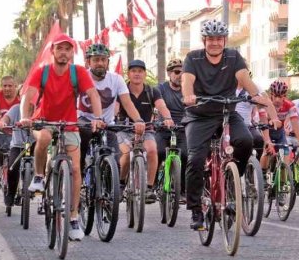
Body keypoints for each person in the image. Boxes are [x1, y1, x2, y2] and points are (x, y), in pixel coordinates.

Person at [181, 19, 280, 231]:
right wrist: (188, 95)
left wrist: (256, 95)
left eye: (219, 39)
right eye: (211, 39)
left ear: (224, 40)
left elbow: (244, 78)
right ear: (204, 40)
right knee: (196, 159)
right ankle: (196, 208)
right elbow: (186, 81)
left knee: (246, 141)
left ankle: (234, 180)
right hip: (199, 115)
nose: (215, 43)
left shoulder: (234, 57)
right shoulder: (193, 58)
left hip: (226, 111)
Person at [18, 34, 104, 242]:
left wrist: (98, 117)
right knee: (45, 137)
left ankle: (73, 218)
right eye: (60, 49)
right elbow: (28, 96)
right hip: (43, 121)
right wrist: (24, 117)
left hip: (69, 125)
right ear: (53, 51)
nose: (64, 52)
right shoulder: (43, 72)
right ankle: (39, 177)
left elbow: (93, 94)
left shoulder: (78, 72)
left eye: (68, 49)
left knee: (75, 169)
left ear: (71, 53)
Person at [77, 43, 146, 171]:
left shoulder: (116, 79)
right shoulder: (81, 77)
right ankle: (79, 173)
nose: (100, 63)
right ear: (88, 62)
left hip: (107, 124)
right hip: (84, 122)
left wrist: (138, 120)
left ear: (108, 62)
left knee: (115, 163)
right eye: (96, 59)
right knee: (78, 156)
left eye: (103, 59)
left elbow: (127, 103)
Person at [116, 59, 174, 203]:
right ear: (128, 74)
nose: (137, 74)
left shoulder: (152, 91)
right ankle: (121, 184)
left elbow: (162, 106)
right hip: (124, 130)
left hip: (146, 130)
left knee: (153, 150)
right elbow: (115, 109)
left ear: (145, 74)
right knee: (125, 155)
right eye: (134, 71)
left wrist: (167, 118)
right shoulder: (122, 91)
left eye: (140, 71)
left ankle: (149, 188)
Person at [157, 58, 189, 202]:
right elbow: (159, 105)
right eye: (176, 72)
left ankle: (182, 190)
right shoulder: (161, 89)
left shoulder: (188, 89)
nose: (179, 75)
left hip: (182, 129)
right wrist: (165, 120)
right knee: (159, 152)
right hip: (163, 128)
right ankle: (154, 183)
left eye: (183, 72)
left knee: (186, 155)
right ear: (169, 73)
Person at [258, 80, 299, 169]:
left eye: (280, 97)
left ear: (285, 96)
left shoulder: (290, 105)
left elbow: (295, 123)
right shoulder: (265, 104)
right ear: (271, 94)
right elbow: (263, 124)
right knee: (267, 151)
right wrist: (268, 141)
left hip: (280, 133)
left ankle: (284, 180)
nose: (277, 100)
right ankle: (263, 177)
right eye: (275, 96)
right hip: (266, 131)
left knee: (286, 154)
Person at [0, 103, 32, 208]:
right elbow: (6, 118)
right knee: (12, 167)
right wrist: (3, 123)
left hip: (32, 145)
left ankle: (34, 187)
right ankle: (11, 194)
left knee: (37, 164)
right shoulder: (16, 108)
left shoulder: (38, 107)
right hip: (17, 145)